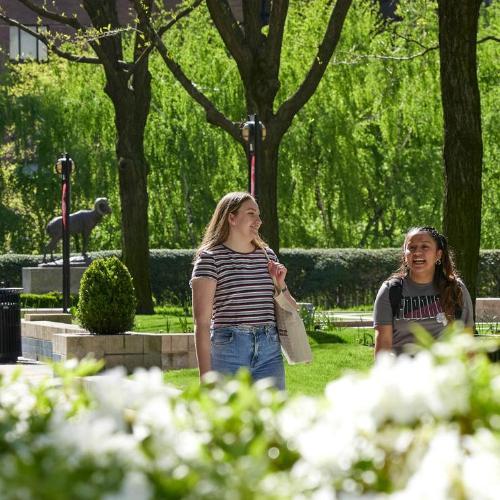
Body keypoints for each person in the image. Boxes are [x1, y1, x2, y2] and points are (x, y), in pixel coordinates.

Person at [190, 192, 297, 390]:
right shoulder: (209, 259)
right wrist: (206, 379)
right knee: (230, 418)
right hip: (229, 350)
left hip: (269, 352)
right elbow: (202, 323)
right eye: (251, 214)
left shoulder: (268, 256)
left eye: (258, 215)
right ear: (232, 218)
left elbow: (292, 308)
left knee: (271, 417)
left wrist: (280, 285)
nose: (259, 221)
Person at [373, 226, 474, 356]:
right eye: (412, 248)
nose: (417, 253)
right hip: (402, 374)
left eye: (425, 247)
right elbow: (383, 346)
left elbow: (468, 344)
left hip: (446, 374)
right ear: (405, 255)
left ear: (438, 254)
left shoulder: (456, 289)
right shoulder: (390, 290)